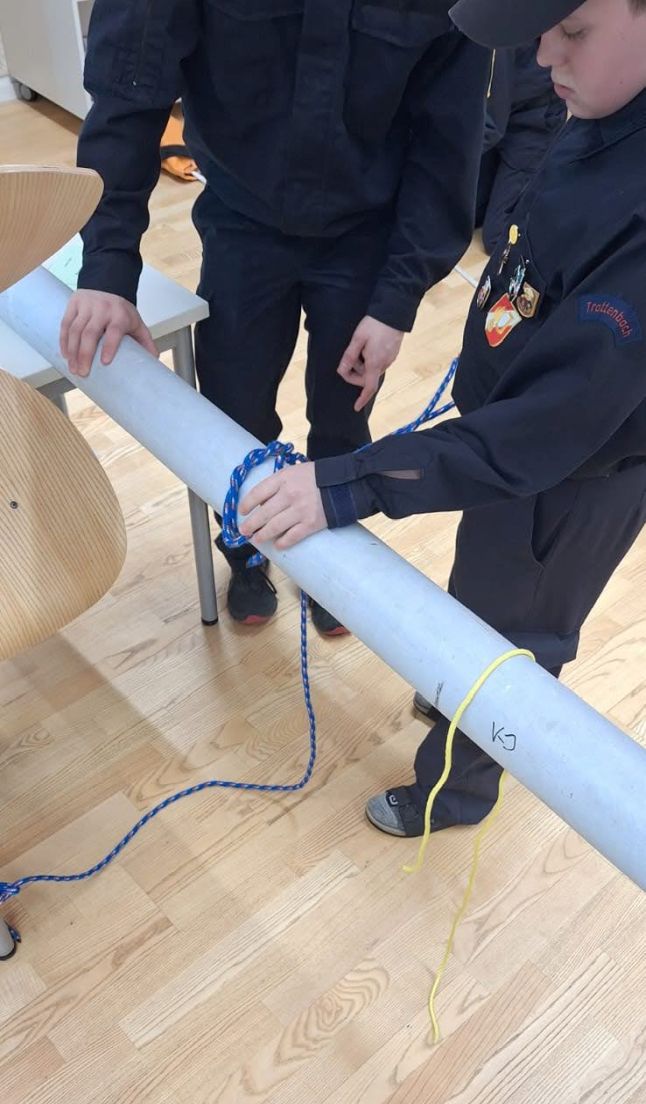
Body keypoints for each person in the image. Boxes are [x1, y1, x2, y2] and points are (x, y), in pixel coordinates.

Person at [239, 0, 646, 838]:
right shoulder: (604, 104)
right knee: (481, 588)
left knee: (514, 641)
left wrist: (346, 484)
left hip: (570, 478)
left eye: (572, 33)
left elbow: (541, 434)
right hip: (508, 442)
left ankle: (452, 794)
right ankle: (452, 679)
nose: (545, 56)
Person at [60, 2, 489, 636]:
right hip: (241, 217)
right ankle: (245, 549)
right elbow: (131, 82)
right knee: (233, 405)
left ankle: (329, 556)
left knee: (343, 415)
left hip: (367, 230)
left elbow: (448, 141)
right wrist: (107, 264)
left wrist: (396, 300)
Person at [477, 42, 566, 252]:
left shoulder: (502, 38)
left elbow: (492, 125)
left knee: (497, 237)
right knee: (465, 216)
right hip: (505, 114)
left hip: (534, 126)